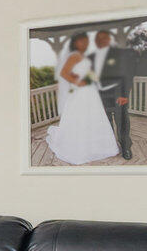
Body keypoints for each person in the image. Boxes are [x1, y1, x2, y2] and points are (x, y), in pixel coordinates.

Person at [45, 31, 119, 165]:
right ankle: (80, 148)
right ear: (75, 42)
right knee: (82, 117)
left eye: (86, 41)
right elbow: (64, 73)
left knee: (93, 117)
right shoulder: (74, 56)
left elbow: (86, 72)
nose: (84, 43)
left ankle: (96, 146)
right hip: (82, 93)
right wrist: (78, 82)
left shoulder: (82, 56)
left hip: (91, 92)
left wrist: (91, 78)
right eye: (81, 41)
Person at [93, 29, 135, 160]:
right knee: (106, 123)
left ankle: (126, 148)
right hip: (100, 95)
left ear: (108, 40)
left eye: (104, 38)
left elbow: (127, 75)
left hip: (118, 94)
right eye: (99, 39)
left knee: (122, 121)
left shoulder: (118, 54)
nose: (101, 41)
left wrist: (124, 95)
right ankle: (111, 146)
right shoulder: (92, 57)